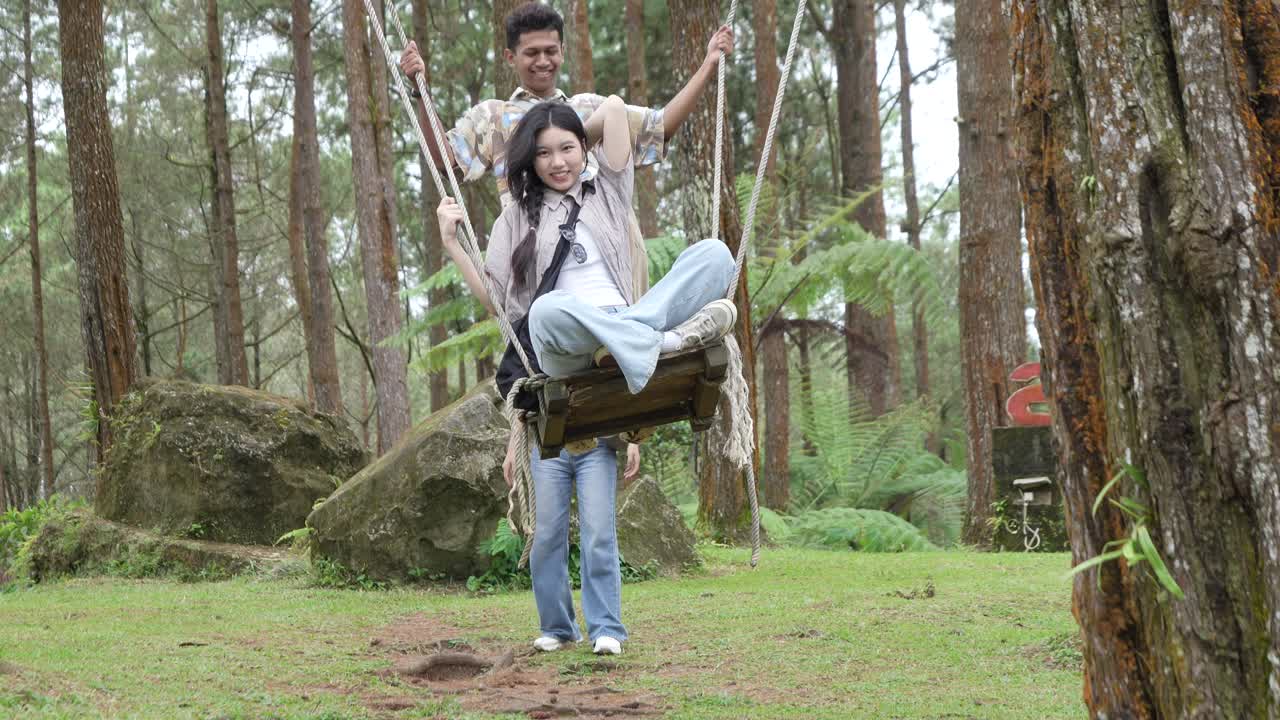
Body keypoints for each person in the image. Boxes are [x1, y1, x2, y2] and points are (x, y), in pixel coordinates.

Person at [436, 97, 736, 656]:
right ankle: (557, 626)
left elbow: (618, 110)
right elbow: (500, 304)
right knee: (547, 310)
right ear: (528, 161)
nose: (557, 162)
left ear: (585, 149)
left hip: (618, 339)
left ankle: (607, 630)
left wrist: (571, 121)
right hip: (563, 354)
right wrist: (454, 244)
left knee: (716, 255)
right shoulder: (517, 216)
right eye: (543, 152)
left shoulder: (609, 192)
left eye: (568, 147)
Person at [400, 2, 733, 291]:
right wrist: (421, 91)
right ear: (510, 57)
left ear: (562, 50)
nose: (543, 60)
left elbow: (658, 129)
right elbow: (446, 161)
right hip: (543, 254)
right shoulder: (494, 117)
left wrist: (708, 65)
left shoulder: (592, 108)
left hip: (609, 248)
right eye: (531, 52)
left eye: (551, 51)